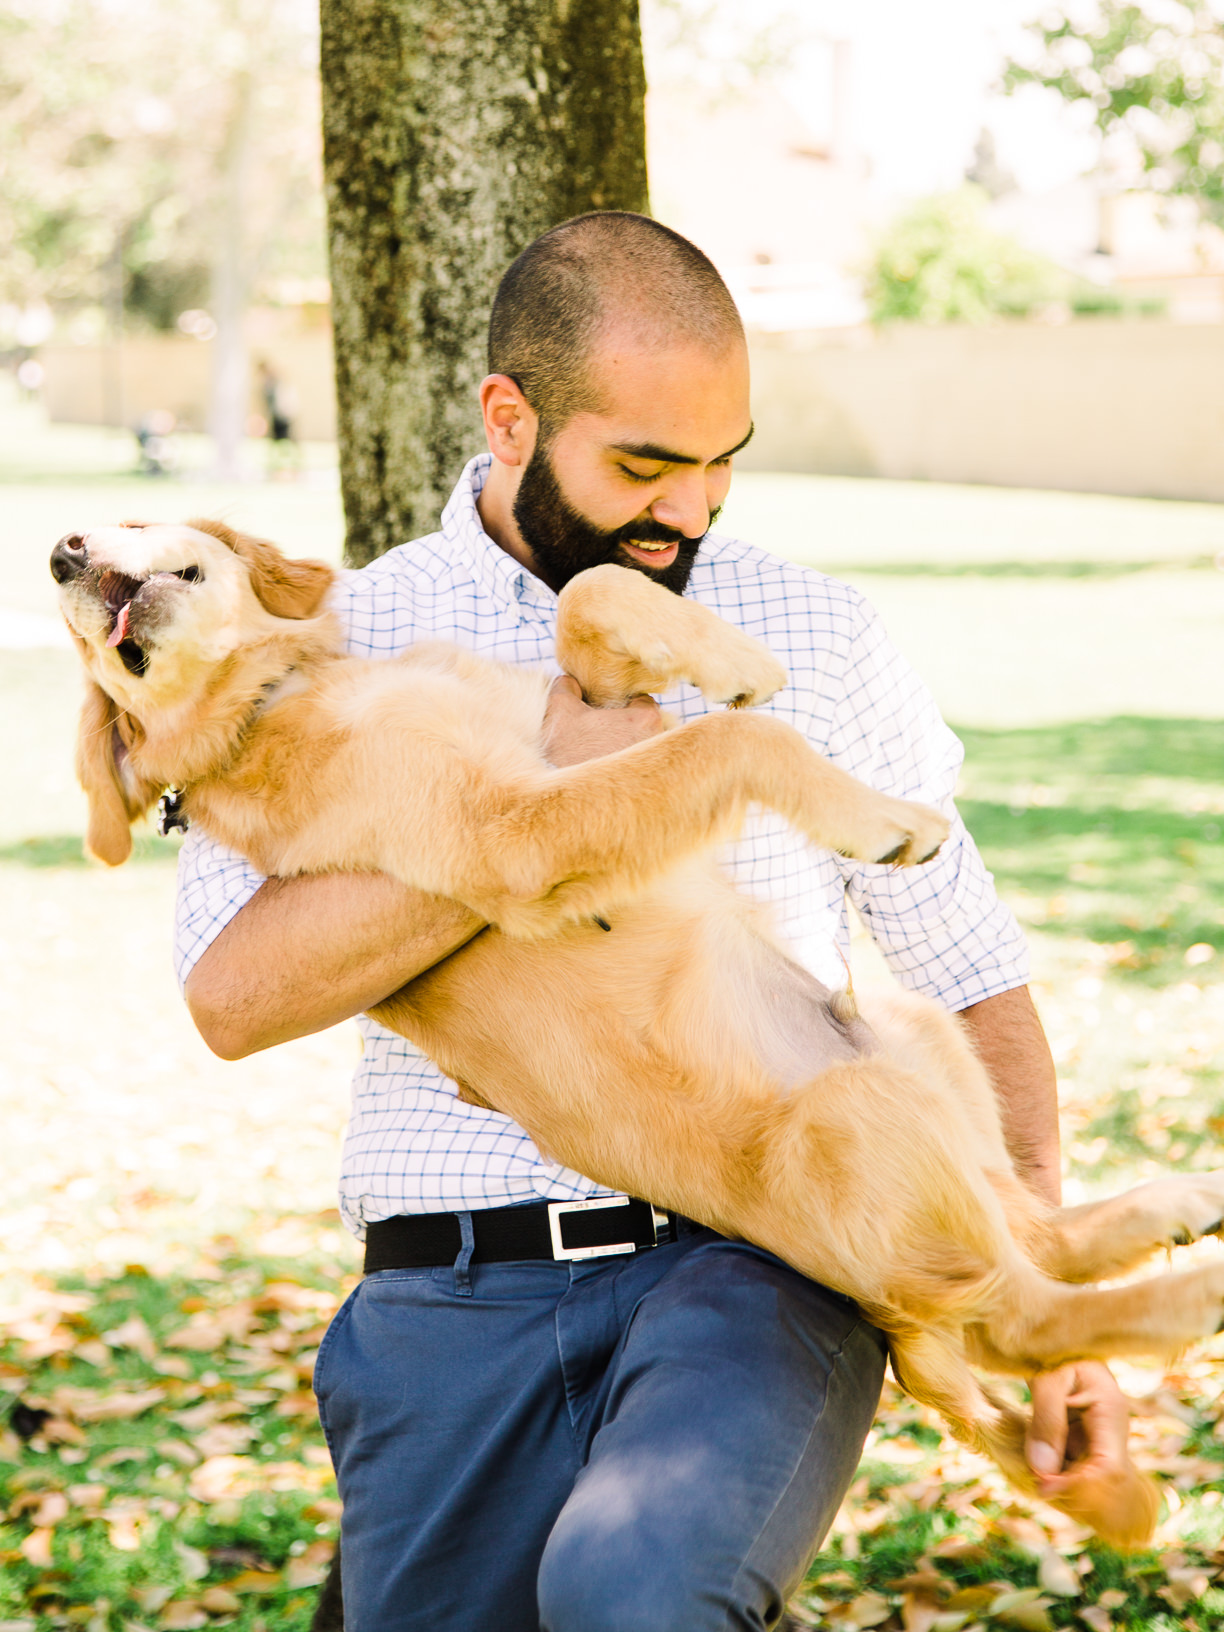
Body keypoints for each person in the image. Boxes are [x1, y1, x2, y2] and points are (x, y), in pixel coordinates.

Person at [178, 213, 1129, 1632]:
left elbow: (973, 975)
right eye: (643, 464)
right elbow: (233, 999)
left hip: (751, 1252)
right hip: (451, 1288)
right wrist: (543, 804)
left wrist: (1042, 1279)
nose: (688, 511)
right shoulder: (338, 638)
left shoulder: (812, 635)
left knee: (640, 1594)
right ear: (510, 418)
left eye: (720, 463)